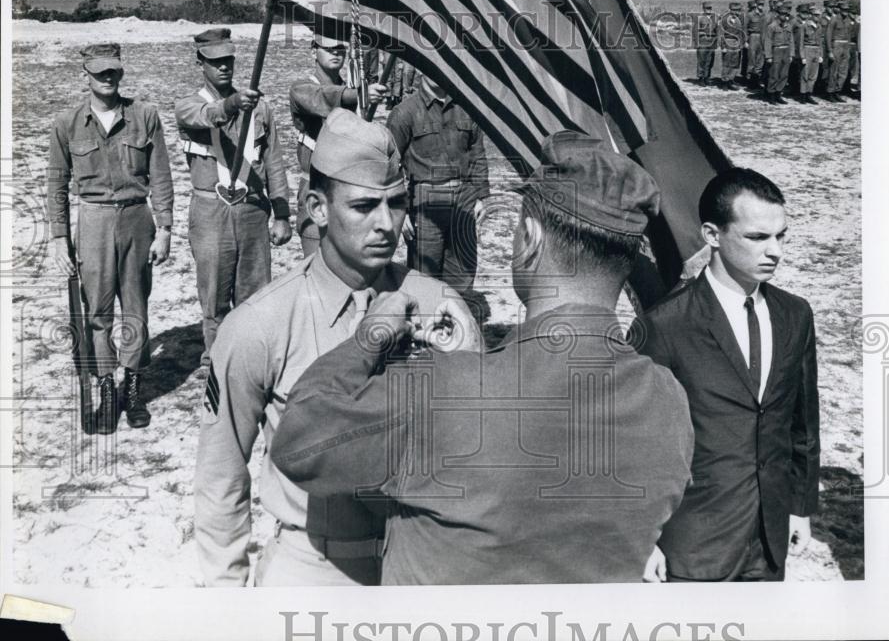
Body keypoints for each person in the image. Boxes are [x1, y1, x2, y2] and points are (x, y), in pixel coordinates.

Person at [271, 131, 695, 585]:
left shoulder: (443, 391)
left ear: (528, 240)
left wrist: (373, 334)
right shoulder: (669, 403)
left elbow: (301, 443)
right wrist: (476, 365)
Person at [194, 108, 481, 587]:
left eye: (398, 203)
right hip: (315, 565)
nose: (386, 225)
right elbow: (221, 475)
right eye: (364, 207)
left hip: (420, 559)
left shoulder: (438, 306)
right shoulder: (261, 324)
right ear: (317, 208)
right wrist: (225, 602)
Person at [632, 168, 819, 582]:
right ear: (712, 235)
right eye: (757, 237)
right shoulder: (665, 325)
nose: (775, 251)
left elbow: (802, 424)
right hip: (694, 546)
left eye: (781, 236)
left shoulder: (795, 315)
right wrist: (641, 537)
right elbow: (634, 440)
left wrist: (799, 507)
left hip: (769, 542)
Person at [47, 43, 174, 432]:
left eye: (113, 70)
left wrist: (165, 228)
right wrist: (57, 237)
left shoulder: (145, 116)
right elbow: (56, 184)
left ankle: (133, 389)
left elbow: (161, 176)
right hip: (94, 223)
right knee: (98, 312)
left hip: (138, 220)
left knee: (135, 307)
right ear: (85, 73)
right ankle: (106, 388)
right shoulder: (66, 123)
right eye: (100, 71)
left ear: (121, 72)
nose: (108, 77)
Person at [174, 28, 292, 368]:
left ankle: (252, 361)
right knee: (214, 292)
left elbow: (274, 162)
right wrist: (231, 104)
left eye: (228, 60)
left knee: (255, 293)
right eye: (215, 62)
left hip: (253, 211)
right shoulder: (189, 105)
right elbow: (204, 116)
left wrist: (281, 213)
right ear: (201, 63)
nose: (223, 68)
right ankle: (216, 360)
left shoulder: (260, 109)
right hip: (211, 213)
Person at [386, 76, 490, 299]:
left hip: (465, 198)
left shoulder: (467, 107)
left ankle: (456, 326)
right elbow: (389, 163)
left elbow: (477, 153)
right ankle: (423, 330)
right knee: (424, 277)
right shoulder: (404, 112)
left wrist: (482, 196)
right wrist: (398, 208)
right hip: (425, 201)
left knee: (462, 274)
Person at [288, 33, 387, 256]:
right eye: (329, 49)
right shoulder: (302, 88)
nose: (335, 54)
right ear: (314, 51)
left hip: (349, 188)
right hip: (316, 187)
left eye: (340, 50)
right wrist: (359, 94)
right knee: (317, 267)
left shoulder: (353, 90)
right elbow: (323, 97)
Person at [763, 5, 794, 104]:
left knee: (784, 75)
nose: (784, 16)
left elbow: (791, 41)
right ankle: (771, 95)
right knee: (774, 74)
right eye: (782, 14)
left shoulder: (788, 26)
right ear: (778, 14)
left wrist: (791, 54)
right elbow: (767, 41)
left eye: (786, 14)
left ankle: (778, 94)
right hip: (776, 51)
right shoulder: (772, 26)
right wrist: (768, 56)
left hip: (786, 51)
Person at [793, 4, 824, 104]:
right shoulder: (804, 26)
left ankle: (809, 94)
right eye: (815, 15)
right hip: (807, 50)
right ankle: (802, 95)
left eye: (818, 15)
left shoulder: (819, 27)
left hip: (816, 50)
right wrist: (802, 56)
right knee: (804, 74)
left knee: (813, 75)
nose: (817, 17)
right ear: (811, 15)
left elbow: (820, 42)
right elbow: (801, 42)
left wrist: (820, 55)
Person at [824, 1, 852, 101]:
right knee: (833, 70)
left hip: (845, 46)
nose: (846, 12)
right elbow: (828, 35)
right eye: (844, 10)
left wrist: (848, 49)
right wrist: (829, 50)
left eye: (847, 10)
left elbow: (848, 35)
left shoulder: (848, 20)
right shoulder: (834, 20)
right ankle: (830, 92)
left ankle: (837, 91)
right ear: (840, 9)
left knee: (843, 71)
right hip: (836, 45)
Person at [718, 1, 745, 89]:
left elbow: (741, 32)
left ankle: (731, 80)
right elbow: (721, 34)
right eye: (734, 10)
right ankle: (724, 82)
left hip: (736, 44)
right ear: (730, 10)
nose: (736, 12)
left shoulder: (739, 19)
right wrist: (723, 46)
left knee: (735, 63)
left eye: (738, 10)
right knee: (727, 63)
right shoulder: (724, 19)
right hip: (728, 42)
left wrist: (741, 44)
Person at [694, 1, 719, 85]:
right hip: (702, 40)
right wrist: (697, 43)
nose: (709, 10)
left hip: (712, 40)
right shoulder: (699, 18)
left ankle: (707, 77)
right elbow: (695, 31)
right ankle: (701, 78)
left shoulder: (714, 18)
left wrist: (717, 41)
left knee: (710, 60)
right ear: (703, 9)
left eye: (710, 8)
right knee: (701, 60)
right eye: (707, 8)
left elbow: (717, 30)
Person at [744, 0, 767, 89]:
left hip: (762, 37)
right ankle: (749, 81)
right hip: (753, 36)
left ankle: (757, 80)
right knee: (751, 59)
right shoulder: (750, 15)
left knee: (760, 60)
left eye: (762, 4)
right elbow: (745, 28)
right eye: (760, 4)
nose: (761, 6)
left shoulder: (764, 15)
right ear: (756, 5)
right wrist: (746, 41)